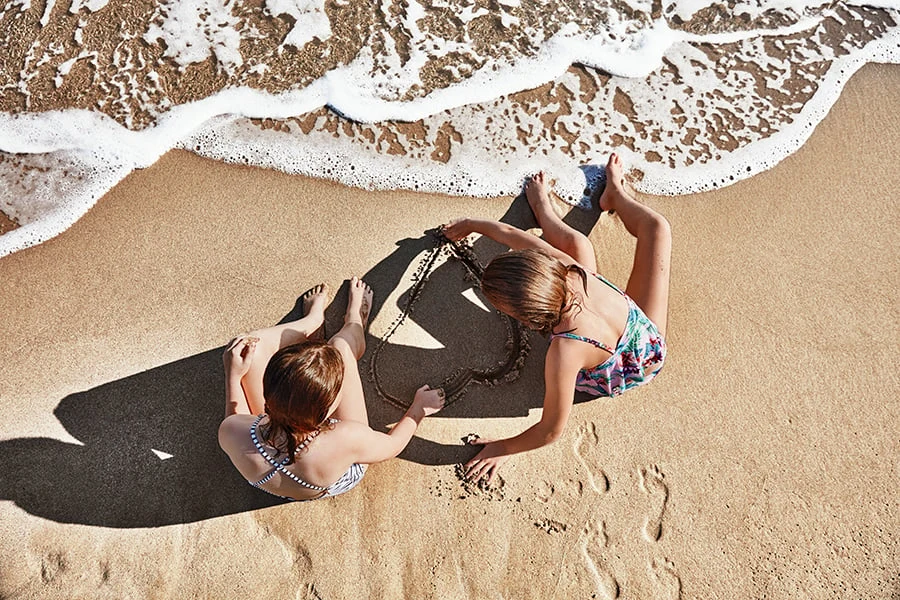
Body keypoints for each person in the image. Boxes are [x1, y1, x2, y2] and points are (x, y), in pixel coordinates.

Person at [442, 153, 671, 484]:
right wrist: (473, 224)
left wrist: (503, 448)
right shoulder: (569, 270)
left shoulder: (565, 352)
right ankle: (588, 202)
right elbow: (512, 236)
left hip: (630, 368)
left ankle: (607, 197)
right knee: (637, 232)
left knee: (586, 242)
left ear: (529, 318)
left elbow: (551, 431)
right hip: (644, 339)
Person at [218, 277, 445, 501]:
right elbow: (392, 446)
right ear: (328, 412)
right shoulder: (346, 438)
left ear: (267, 390)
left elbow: (236, 416)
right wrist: (418, 409)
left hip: (275, 443)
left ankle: (312, 323)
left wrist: (234, 374)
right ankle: (353, 322)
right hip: (329, 469)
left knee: (248, 347)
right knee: (340, 348)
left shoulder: (232, 432)